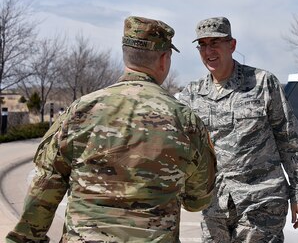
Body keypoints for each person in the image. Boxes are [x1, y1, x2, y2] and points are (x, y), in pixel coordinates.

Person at [6, 16, 216, 243]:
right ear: (164, 60)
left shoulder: (79, 111)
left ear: (125, 55)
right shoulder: (185, 121)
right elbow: (198, 200)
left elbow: (42, 190)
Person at [177, 16, 298, 242]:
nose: (208, 51)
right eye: (202, 45)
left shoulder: (262, 83)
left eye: (215, 43)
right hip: (215, 205)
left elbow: (289, 139)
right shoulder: (192, 93)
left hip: (261, 201)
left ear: (232, 45)